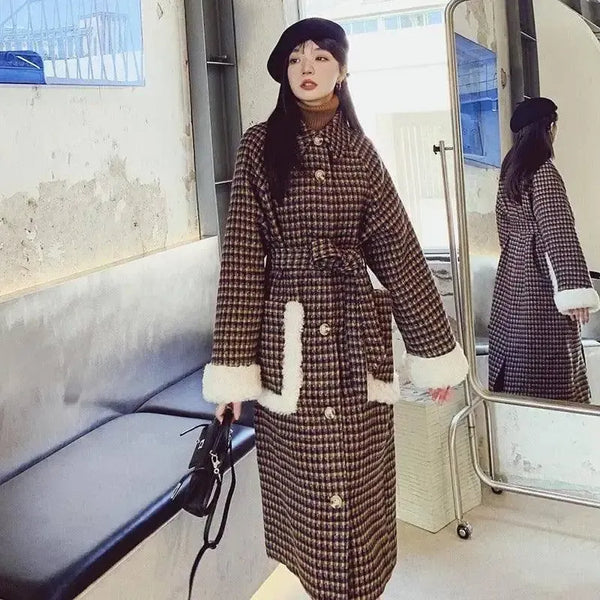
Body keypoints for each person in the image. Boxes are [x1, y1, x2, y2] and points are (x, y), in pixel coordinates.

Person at [202, 18, 468, 600]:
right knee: (310, 498)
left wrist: (433, 353)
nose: (307, 67)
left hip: (355, 343)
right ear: (284, 72)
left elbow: (398, 250)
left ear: (342, 71)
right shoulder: (258, 146)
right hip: (290, 349)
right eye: (296, 57)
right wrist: (232, 373)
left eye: (321, 56)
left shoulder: (362, 154)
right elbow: (242, 259)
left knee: (361, 486)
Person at [489, 97, 600, 403]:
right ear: (548, 128)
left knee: (518, 362)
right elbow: (559, 231)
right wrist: (575, 292)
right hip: (541, 285)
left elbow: (504, 230)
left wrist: (517, 258)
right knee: (552, 372)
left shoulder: (510, 172)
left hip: (511, 281)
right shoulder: (543, 172)